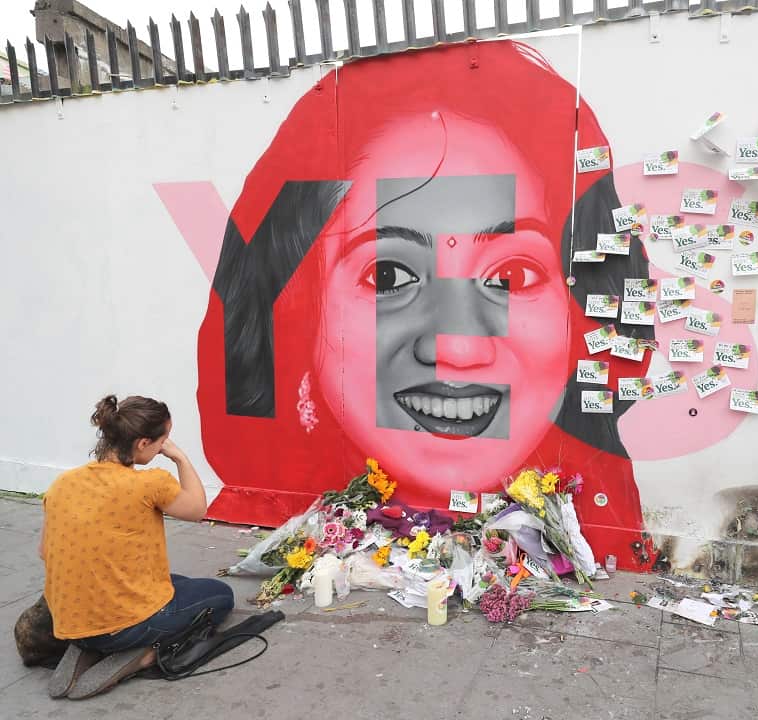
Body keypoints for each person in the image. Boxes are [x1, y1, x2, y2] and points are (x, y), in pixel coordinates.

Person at [197, 40, 658, 569]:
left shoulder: (608, 536)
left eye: (510, 275)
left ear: (575, 312)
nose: (457, 346)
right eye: (389, 274)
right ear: (299, 315)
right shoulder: (282, 536)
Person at [40, 395, 234, 700]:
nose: (164, 447)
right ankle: (139, 655)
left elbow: (43, 552)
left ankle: (85, 646)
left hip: (69, 620)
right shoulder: (149, 483)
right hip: (123, 625)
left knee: (176, 583)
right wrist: (180, 457)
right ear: (143, 443)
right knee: (220, 596)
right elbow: (197, 509)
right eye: (163, 440)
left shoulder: (64, 483)